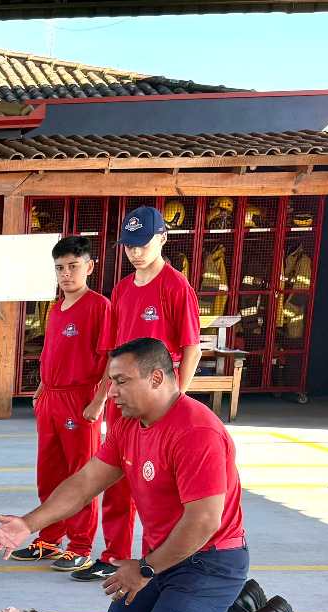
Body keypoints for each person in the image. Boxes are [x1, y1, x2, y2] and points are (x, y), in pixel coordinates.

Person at [0, 337, 306, 612]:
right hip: (164, 556)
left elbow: (204, 522)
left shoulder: (196, 432)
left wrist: (146, 570)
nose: (113, 391)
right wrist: (27, 524)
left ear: (155, 378)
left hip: (209, 562)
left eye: (121, 381)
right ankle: (239, 604)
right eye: (111, 381)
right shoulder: (127, 424)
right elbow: (84, 483)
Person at [71, 205, 205, 584]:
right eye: (129, 245)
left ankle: (159, 559)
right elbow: (113, 353)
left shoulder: (176, 287)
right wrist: (102, 398)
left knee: (159, 481)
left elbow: (191, 349)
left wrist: (179, 402)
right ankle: (114, 554)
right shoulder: (122, 290)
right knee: (117, 474)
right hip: (123, 397)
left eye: (142, 243)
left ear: (162, 238)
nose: (135, 252)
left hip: (160, 398)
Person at [11, 238, 111, 573]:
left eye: (73, 266)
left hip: (81, 398)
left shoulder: (99, 306)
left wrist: (99, 401)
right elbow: (51, 354)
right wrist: (40, 391)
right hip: (51, 398)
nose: (66, 274)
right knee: (49, 473)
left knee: (81, 474)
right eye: (60, 268)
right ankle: (49, 540)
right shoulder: (55, 309)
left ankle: (79, 546)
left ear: (89, 267)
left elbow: (112, 357)